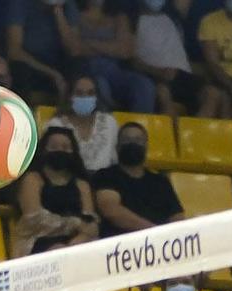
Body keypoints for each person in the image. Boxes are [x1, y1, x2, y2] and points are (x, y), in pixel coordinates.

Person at [13, 124, 99, 258]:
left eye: (65, 147)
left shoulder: (82, 184)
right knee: (60, 251)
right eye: (53, 147)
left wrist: (80, 237)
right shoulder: (33, 179)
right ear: (44, 150)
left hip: (75, 241)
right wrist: (73, 223)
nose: (60, 150)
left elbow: (89, 220)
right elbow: (33, 219)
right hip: (38, 240)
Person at [59, 0, 154, 114]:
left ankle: (138, 126)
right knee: (100, 85)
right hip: (86, 70)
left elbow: (125, 51)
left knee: (144, 84)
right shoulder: (76, 16)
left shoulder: (119, 18)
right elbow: (74, 49)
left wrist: (88, 44)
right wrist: (111, 46)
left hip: (115, 72)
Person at [92, 120, 184, 235]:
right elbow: (110, 210)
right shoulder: (105, 175)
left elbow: (177, 217)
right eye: (127, 140)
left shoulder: (160, 182)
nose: (132, 143)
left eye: (138, 140)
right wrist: (154, 231)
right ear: (117, 147)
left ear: (146, 146)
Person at [131, 0, 204, 114]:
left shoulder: (174, 19)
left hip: (184, 76)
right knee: (163, 93)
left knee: (214, 94)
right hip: (157, 76)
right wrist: (159, 72)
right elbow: (133, 61)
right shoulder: (134, 22)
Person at [4, 0, 76, 109]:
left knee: (79, 66)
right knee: (19, 68)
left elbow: (74, 50)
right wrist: (52, 73)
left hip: (58, 65)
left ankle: (68, 119)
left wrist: (58, 13)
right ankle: (24, 119)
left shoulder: (68, 5)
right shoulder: (20, 4)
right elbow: (14, 51)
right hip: (31, 66)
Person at [43, 74, 119, 175]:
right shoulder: (56, 125)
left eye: (90, 93)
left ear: (97, 97)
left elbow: (115, 160)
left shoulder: (109, 123)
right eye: (79, 93)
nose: (85, 97)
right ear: (70, 97)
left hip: (105, 182)